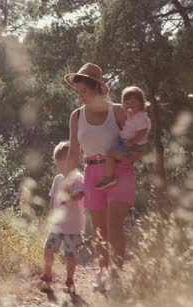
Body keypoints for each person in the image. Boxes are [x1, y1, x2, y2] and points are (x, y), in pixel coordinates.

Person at [62, 63, 144, 292]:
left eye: (83, 91)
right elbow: (73, 152)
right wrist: (68, 183)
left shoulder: (117, 111)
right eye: (77, 92)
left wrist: (132, 156)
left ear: (97, 87)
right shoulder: (77, 116)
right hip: (91, 173)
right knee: (99, 228)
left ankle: (115, 276)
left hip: (119, 171)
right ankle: (103, 271)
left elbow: (139, 137)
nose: (80, 95)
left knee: (113, 224)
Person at [40, 141, 85, 293]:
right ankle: (47, 276)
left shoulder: (77, 177)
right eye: (57, 164)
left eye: (62, 164)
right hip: (57, 224)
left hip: (73, 225)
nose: (59, 168)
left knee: (70, 254)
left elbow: (80, 195)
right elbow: (52, 197)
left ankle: (70, 280)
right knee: (48, 248)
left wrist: (69, 199)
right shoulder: (58, 179)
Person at [95, 86, 151, 190]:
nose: (130, 105)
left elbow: (143, 132)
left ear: (141, 104)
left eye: (133, 102)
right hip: (126, 141)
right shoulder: (132, 114)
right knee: (111, 148)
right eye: (127, 103)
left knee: (110, 153)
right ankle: (119, 164)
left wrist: (132, 141)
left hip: (132, 145)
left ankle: (108, 177)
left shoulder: (140, 116)